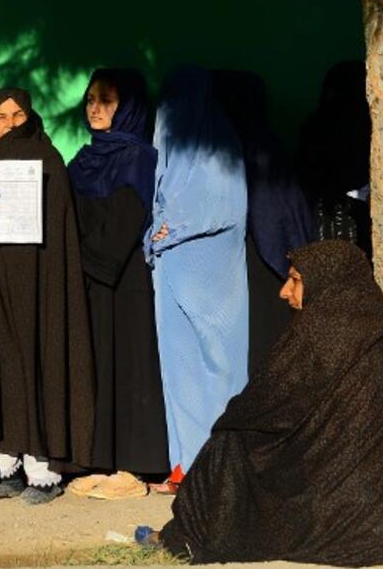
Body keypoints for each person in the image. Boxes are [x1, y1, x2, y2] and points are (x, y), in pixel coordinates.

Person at [149, 240, 383, 566]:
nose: (285, 291)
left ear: (328, 283)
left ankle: (190, 533)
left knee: (231, 437)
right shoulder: (380, 337)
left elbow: (263, 407)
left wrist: (232, 420)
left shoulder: (318, 334)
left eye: (296, 280)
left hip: (328, 500)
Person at [0, 87, 94, 505]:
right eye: (0, 117)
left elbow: (59, 233)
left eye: (18, 115)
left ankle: (44, 471)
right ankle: (9, 465)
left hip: (41, 290)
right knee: (1, 367)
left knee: (38, 366)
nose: (10, 124)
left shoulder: (50, 160)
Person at [145, 65, 248, 493]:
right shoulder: (173, 144)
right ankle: (186, 462)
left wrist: (176, 224)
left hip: (210, 269)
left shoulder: (221, 146)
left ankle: (223, 466)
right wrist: (159, 231)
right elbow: (164, 199)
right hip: (171, 268)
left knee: (219, 363)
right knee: (179, 365)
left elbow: (222, 202)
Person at [65, 69, 168, 486]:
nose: (94, 108)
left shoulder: (140, 157)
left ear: (128, 106)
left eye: (106, 100)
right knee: (94, 363)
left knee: (128, 363)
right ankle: (96, 457)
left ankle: (136, 460)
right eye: (90, 99)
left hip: (123, 279)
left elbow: (125, 221)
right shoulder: (83, 158)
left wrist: (89, 255)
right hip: (89, 278)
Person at [213, 70, 315, 373]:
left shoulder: (252, 150)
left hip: (264, 265)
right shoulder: (263, 144)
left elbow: (269, 214)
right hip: (272, 261)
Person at [296, 61, 372, 255]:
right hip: (360, 215)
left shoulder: (315, 125)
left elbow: (306, 173)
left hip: (322, 215)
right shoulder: (369, 125)